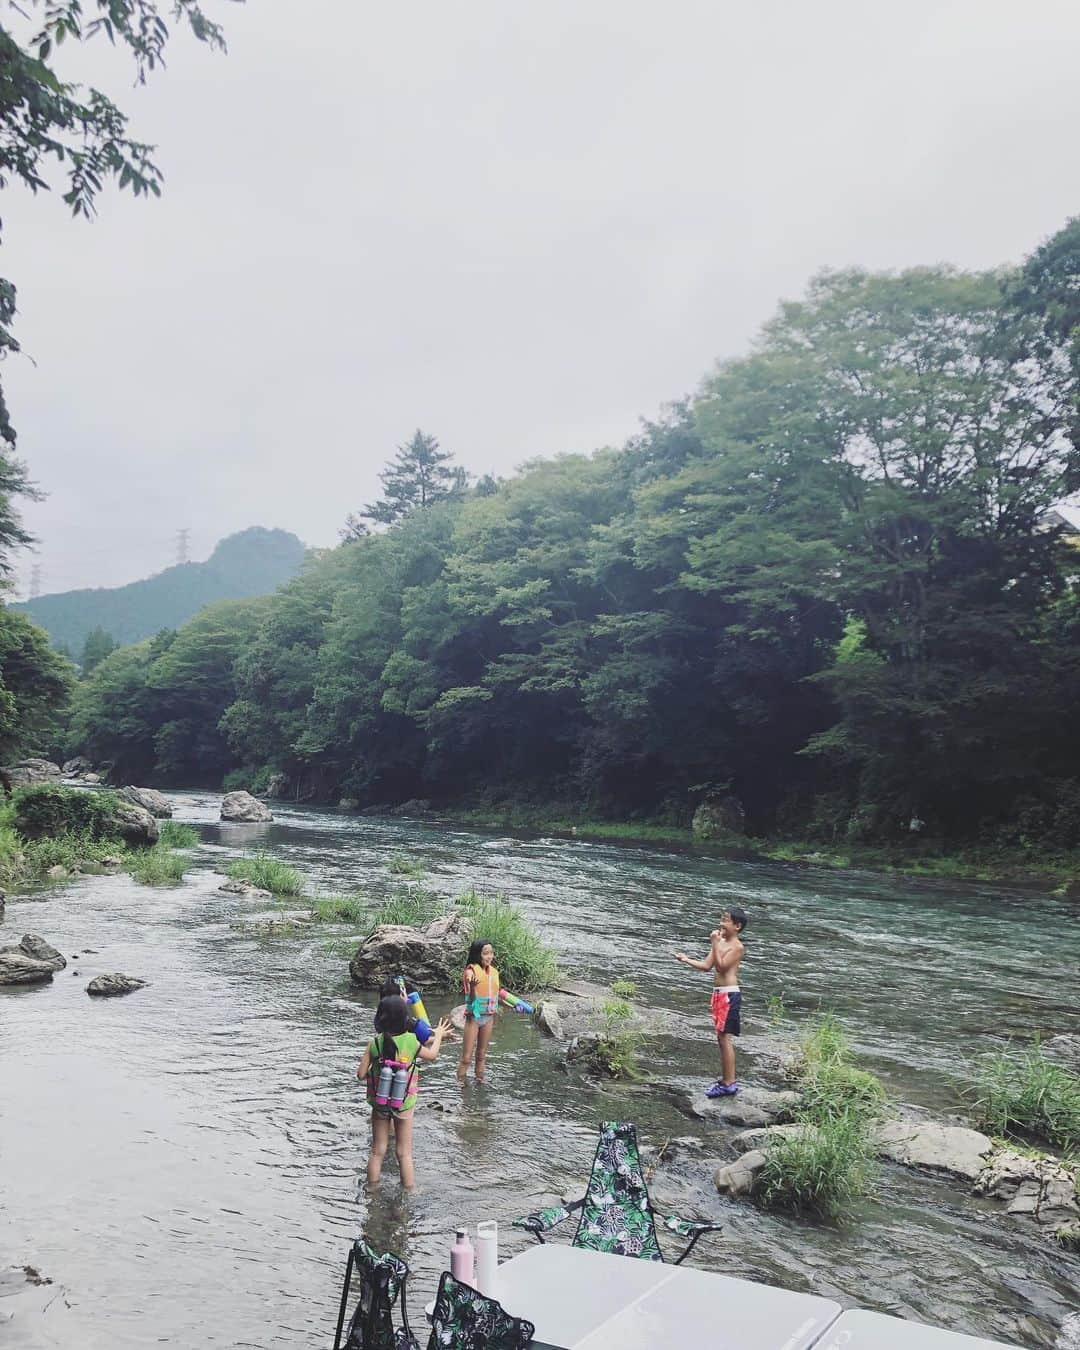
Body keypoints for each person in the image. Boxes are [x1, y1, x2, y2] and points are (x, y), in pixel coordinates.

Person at [357, 994, 451, 1187]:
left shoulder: (374, 1043)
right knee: (404, 1153)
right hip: (404, 1103)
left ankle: (372, 1191)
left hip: (380, 1104)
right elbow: (432, 1055)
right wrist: (439, 1034)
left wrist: (375, 1074)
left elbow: (360, 1075)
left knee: (377, 1151)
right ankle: (409, 1192)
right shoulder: (411, 1041)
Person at [674, 905, 747, 1097]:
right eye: (721, 919)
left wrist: (714, 942)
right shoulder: (720, 942)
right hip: (718, 993)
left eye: (726, 920)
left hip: (729, 994)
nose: (721, 923)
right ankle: (726, 1080)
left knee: (725, 1038)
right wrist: (686, 959)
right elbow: (707, 966)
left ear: (737, 926)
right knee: (720, 1038)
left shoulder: (737, 947)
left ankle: (729, 1082)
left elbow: (722, 968)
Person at [457, 938, 532, 1085]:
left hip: (488, 1018)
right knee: (466, 1058)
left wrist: (513, 1006)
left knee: (481, 1055)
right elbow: (472, 1001)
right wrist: (472, 987)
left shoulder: (493, 972)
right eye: (486, 953)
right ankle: (460, 1085)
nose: (489, 956)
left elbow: (495, 994)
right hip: (474, 1018)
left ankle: (480, 1081)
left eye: (491, 953)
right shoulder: (470, 972)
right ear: (477, 954)